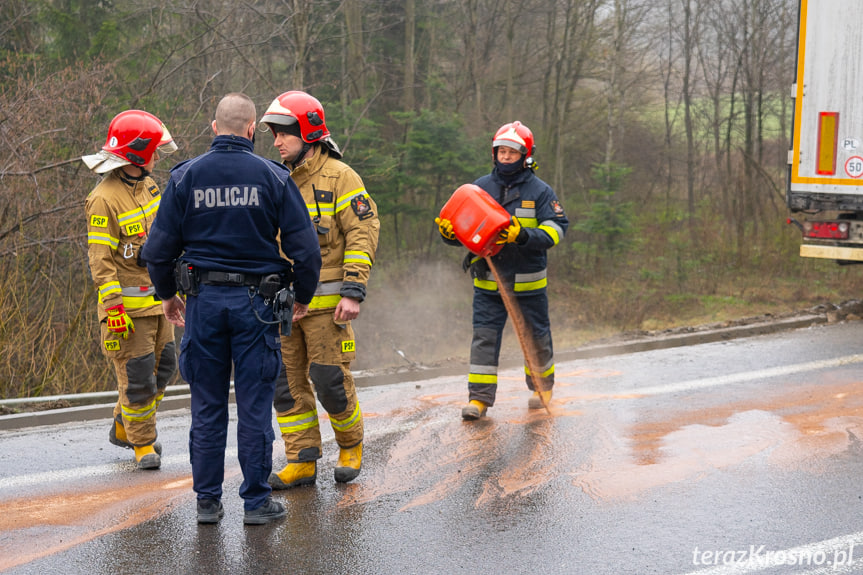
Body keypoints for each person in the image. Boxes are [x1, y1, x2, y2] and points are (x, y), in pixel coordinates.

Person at [141, 93, 321, 525]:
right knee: (255, 407)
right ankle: (256, 504)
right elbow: (307, 251)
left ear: (213, 126)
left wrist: (168, 295)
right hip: (257, 307)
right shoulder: (273, 178)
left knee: (206, 407)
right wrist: (302, 297)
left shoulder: (185, 178)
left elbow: (158, 249)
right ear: (251, 128)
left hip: (202, 305)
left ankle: (207, 502)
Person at [259, 90, 380, 489]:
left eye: (283, 134)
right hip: (283, 308)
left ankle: (350, 444)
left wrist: (353, 291)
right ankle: (302, 458)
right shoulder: (274, 179)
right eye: (274, 134)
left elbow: (362, 233)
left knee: (329, 380)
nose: (276, 142)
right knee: (286, 384)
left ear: (308, 133)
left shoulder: (341, 178)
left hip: (330, 308)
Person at [435, 121, 569, 420]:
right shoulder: (480, 188)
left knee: (535, 337)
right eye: (502, 151)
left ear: (526, 155)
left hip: (528, 285)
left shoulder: (541, 192)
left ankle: (541, 388)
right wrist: (449, 234)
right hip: (488, 283)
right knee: (484, 339)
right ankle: (478, 399)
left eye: (513, 152)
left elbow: (556, 231)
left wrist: (522, 235)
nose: (506, 157)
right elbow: (467, 233)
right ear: (494, 153)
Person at [83, 109, 179, 470]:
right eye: (153, 149)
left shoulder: (149, 186)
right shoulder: (103, 199)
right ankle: (143, 444)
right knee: (137, 378)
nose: (156, 156)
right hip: (126, 310)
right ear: (138, 153)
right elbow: (100, 259)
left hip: (158, 303)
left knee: (166, 367)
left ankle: (125, 424)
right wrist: (113, 307)